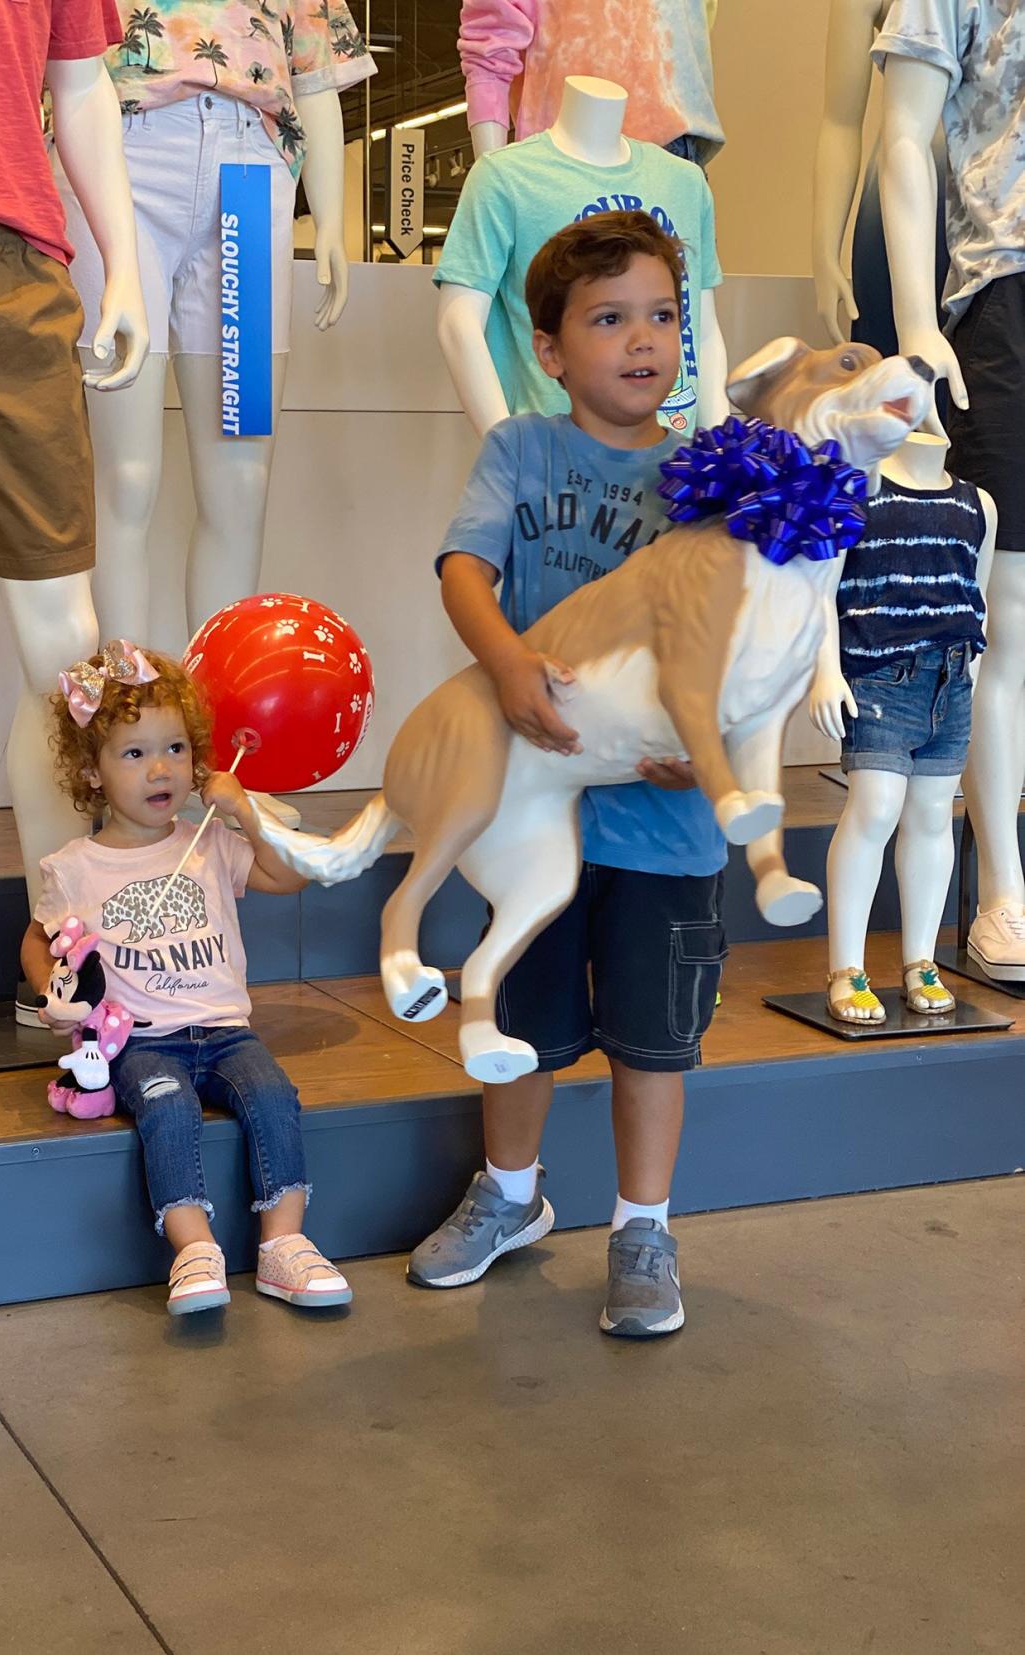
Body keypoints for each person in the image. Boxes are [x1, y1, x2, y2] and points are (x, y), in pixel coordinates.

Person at [409, 211, 727, 1337]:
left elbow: (753, 627)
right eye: (608, 319)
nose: (643, 340)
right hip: (529, 814)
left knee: (654, 1036)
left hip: (669, 826)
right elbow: (463, 567)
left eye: (661, 316)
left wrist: (718, 753)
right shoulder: (522, 451)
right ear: (548, 349)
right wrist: (502, 664)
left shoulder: (716, 471)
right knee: (520, 1017)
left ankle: (645, 1226)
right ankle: (510, 1194)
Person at [20, 642, 352, 1316]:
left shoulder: (209, 841)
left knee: (274, 1096)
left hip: (228, 1032)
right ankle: (194, 1248)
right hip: (144, 1041)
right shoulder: (74, 866)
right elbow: (36, 940)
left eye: (174, 748)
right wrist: (55, 990)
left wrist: (246, 813)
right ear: (92, 771)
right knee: (167, 1110)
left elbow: (287, 875)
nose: (160, 767)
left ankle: (283, 1244)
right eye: (134, 753)